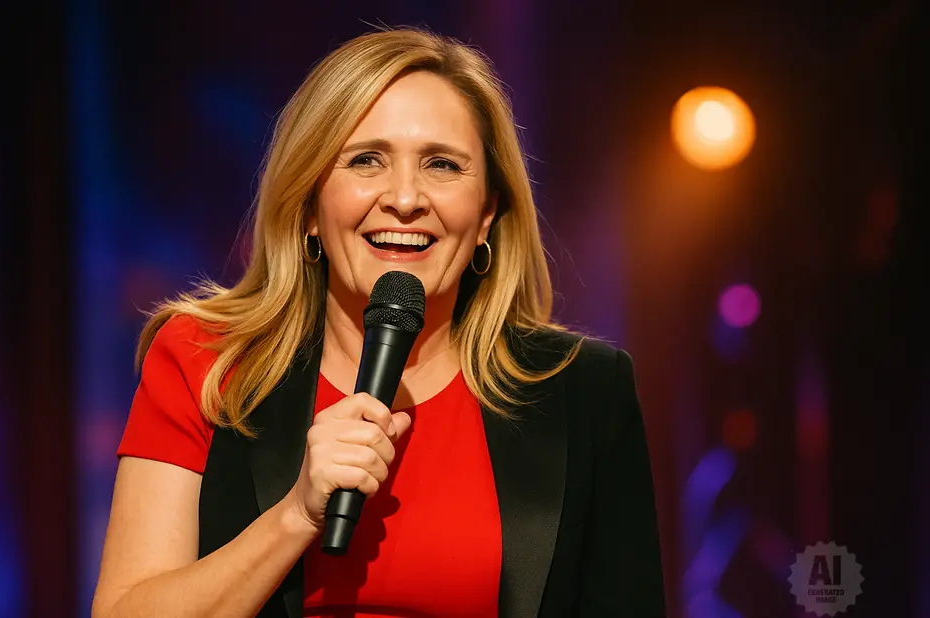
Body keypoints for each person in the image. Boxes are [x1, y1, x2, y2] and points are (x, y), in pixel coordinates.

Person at [92, 27, 665, 618]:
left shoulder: (587, 391)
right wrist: (295, 515)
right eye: (367, 160)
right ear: (309, 204)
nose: (406, 198)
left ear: (487, 213)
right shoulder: (205, 362)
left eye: (442, 164)